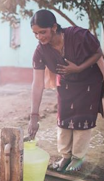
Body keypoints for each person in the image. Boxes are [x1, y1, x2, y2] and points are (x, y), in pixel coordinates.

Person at [28, 9, 104, 172]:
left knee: (82, 121)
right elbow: (37, 83)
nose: (39, 37)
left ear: (54, 27)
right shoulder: (40, 51)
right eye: (35, 33)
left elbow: (98, 53)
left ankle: (77, 158)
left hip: (89, 82)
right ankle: (65, 156)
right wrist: (34, 116)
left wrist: (79, 68)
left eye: (43, 32)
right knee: (64, 119)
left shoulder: (78, 36)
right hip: (66, 84)